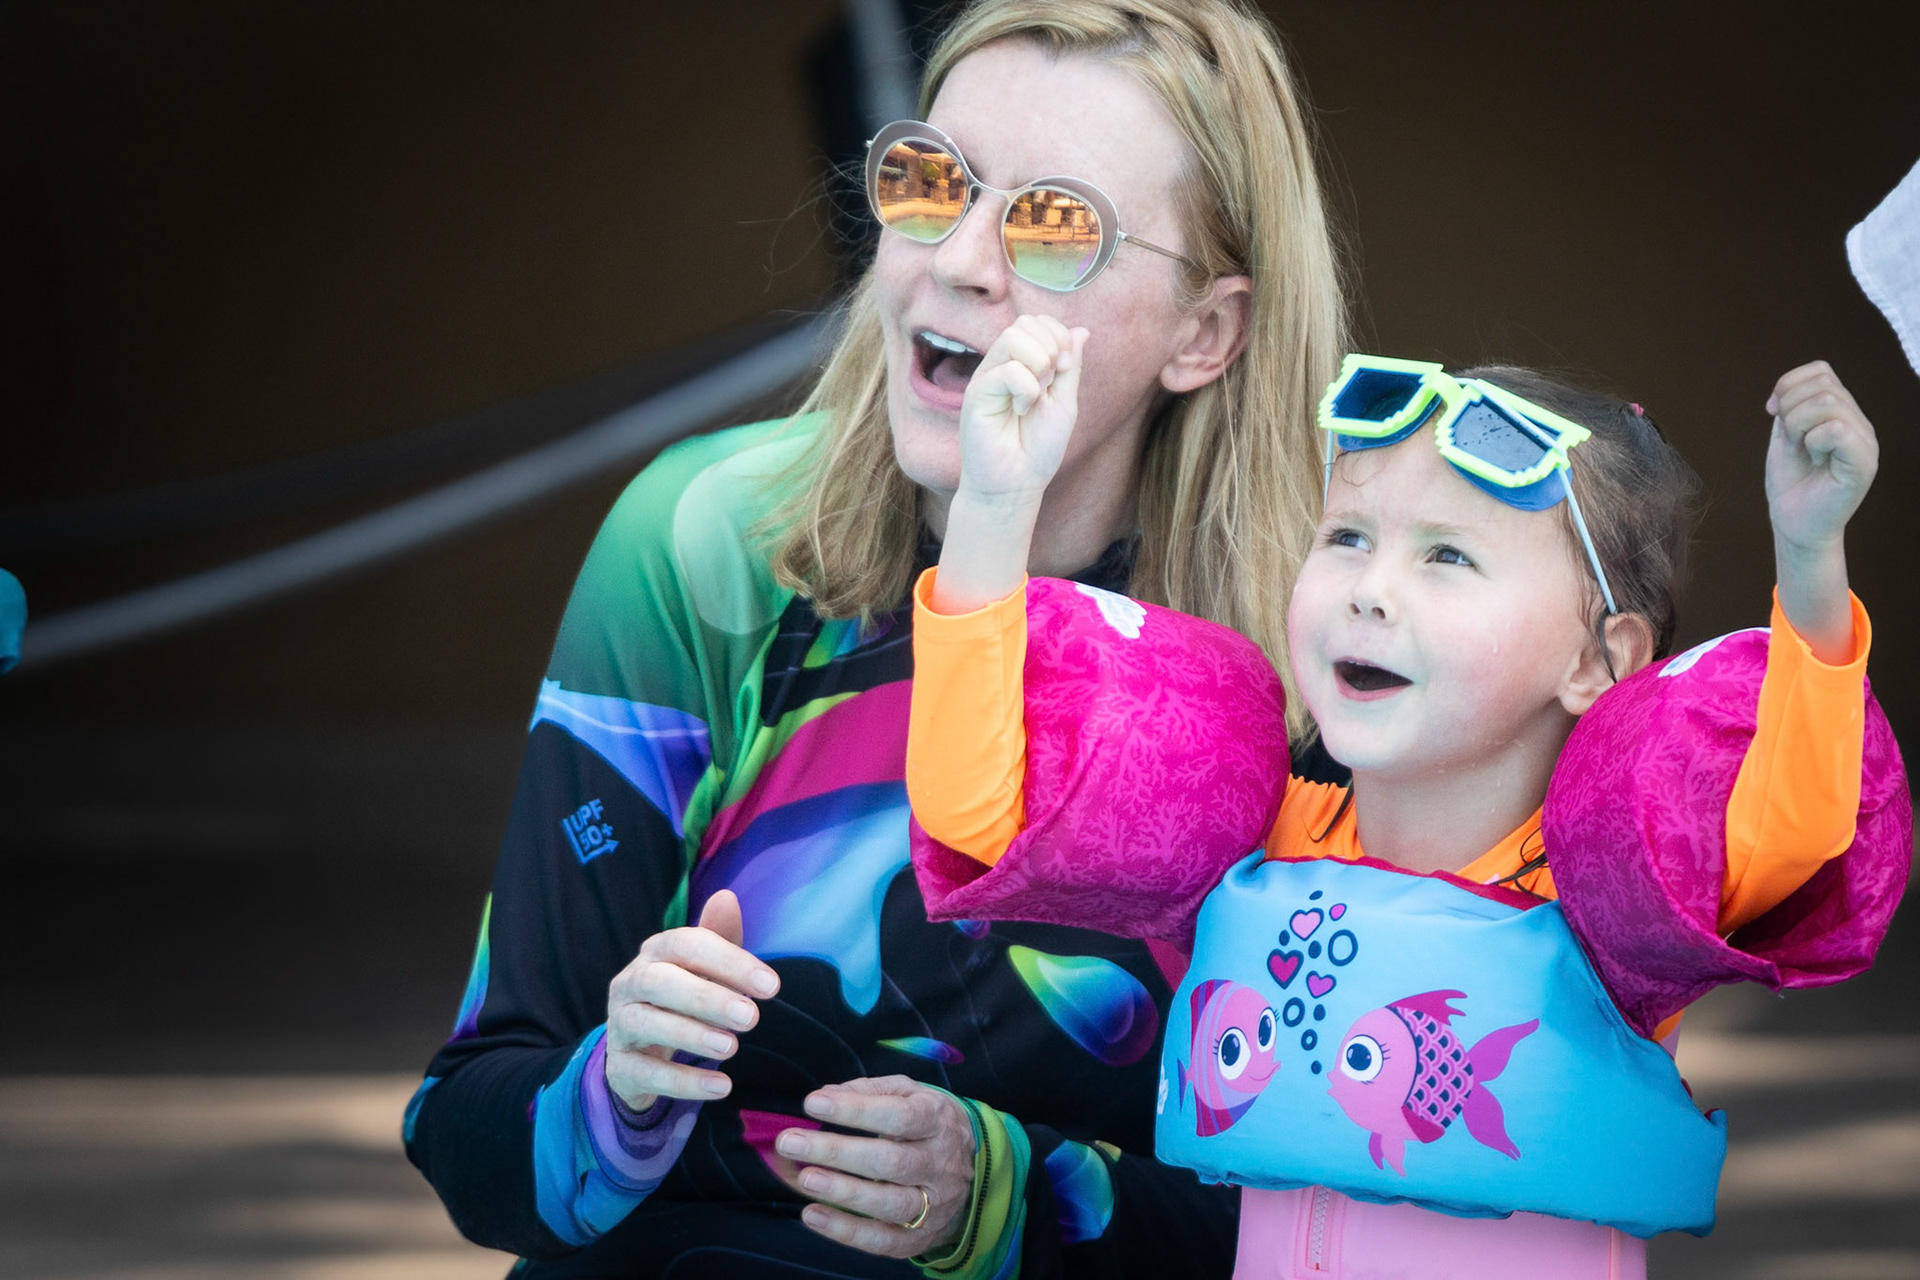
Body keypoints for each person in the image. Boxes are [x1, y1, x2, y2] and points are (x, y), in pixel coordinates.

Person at [403, 1, 1347, 1275]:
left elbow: (1332, 1221)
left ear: (1206, 333)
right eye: (930, 180)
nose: (958, 259)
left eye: (1056, 223)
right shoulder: (706, 543)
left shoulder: (1315, 658)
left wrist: (1006, 1193)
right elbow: (467, 1127)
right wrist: (608, 1099)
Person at [905, 341, 1908, 1278]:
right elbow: (976, 809)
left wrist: (1810, 555)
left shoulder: (1617, 896)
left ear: (1596, 659)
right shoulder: (1239, 850)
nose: (1370, 589)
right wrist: (995, 507)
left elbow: (1802, 818)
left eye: (1446, 557)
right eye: (1347, 536)